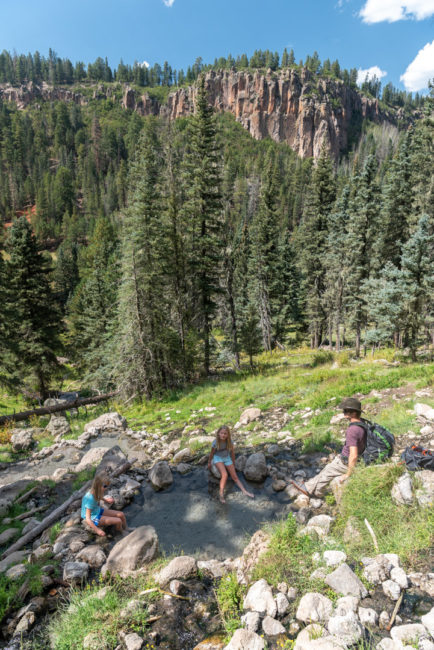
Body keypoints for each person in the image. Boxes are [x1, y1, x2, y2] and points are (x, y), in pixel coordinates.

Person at [290, 397, 367, 498]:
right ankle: (308, 486)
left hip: (345, 462)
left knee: (326, 474)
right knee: (327, 469)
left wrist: (348, 473)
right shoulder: (362, 424)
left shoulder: (353, 430)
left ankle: (317, 493)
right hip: (347, 458)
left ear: (353, 413)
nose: (343, 413)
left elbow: (353, 455)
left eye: (345, 411)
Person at [208, 425, 255, 503]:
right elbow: (212, 453)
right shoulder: (215, 442)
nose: (223, 435)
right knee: (225, 475)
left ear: (228, 435)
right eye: (221, 433)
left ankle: (244, 491)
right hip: (218, 458)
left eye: (225, 433)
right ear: (218, 433)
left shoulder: (230, 442)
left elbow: (232, 453)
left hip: (227, 458)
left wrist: (233, 463)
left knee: (235, 476)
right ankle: (221, 494)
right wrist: (209, 462)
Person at [81, 472, 127, 537]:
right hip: (93, 517)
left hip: (96, 510)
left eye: (107, 486)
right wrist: (97, 530)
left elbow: (99, 496)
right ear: (98, 485)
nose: (106, 488)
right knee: (118, 521)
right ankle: (121, 532)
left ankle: (126, 528)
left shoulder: (97, 491)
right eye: (105, 486)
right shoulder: (90, 499)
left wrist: (106, 500)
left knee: (121, 514)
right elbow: (88, 518)